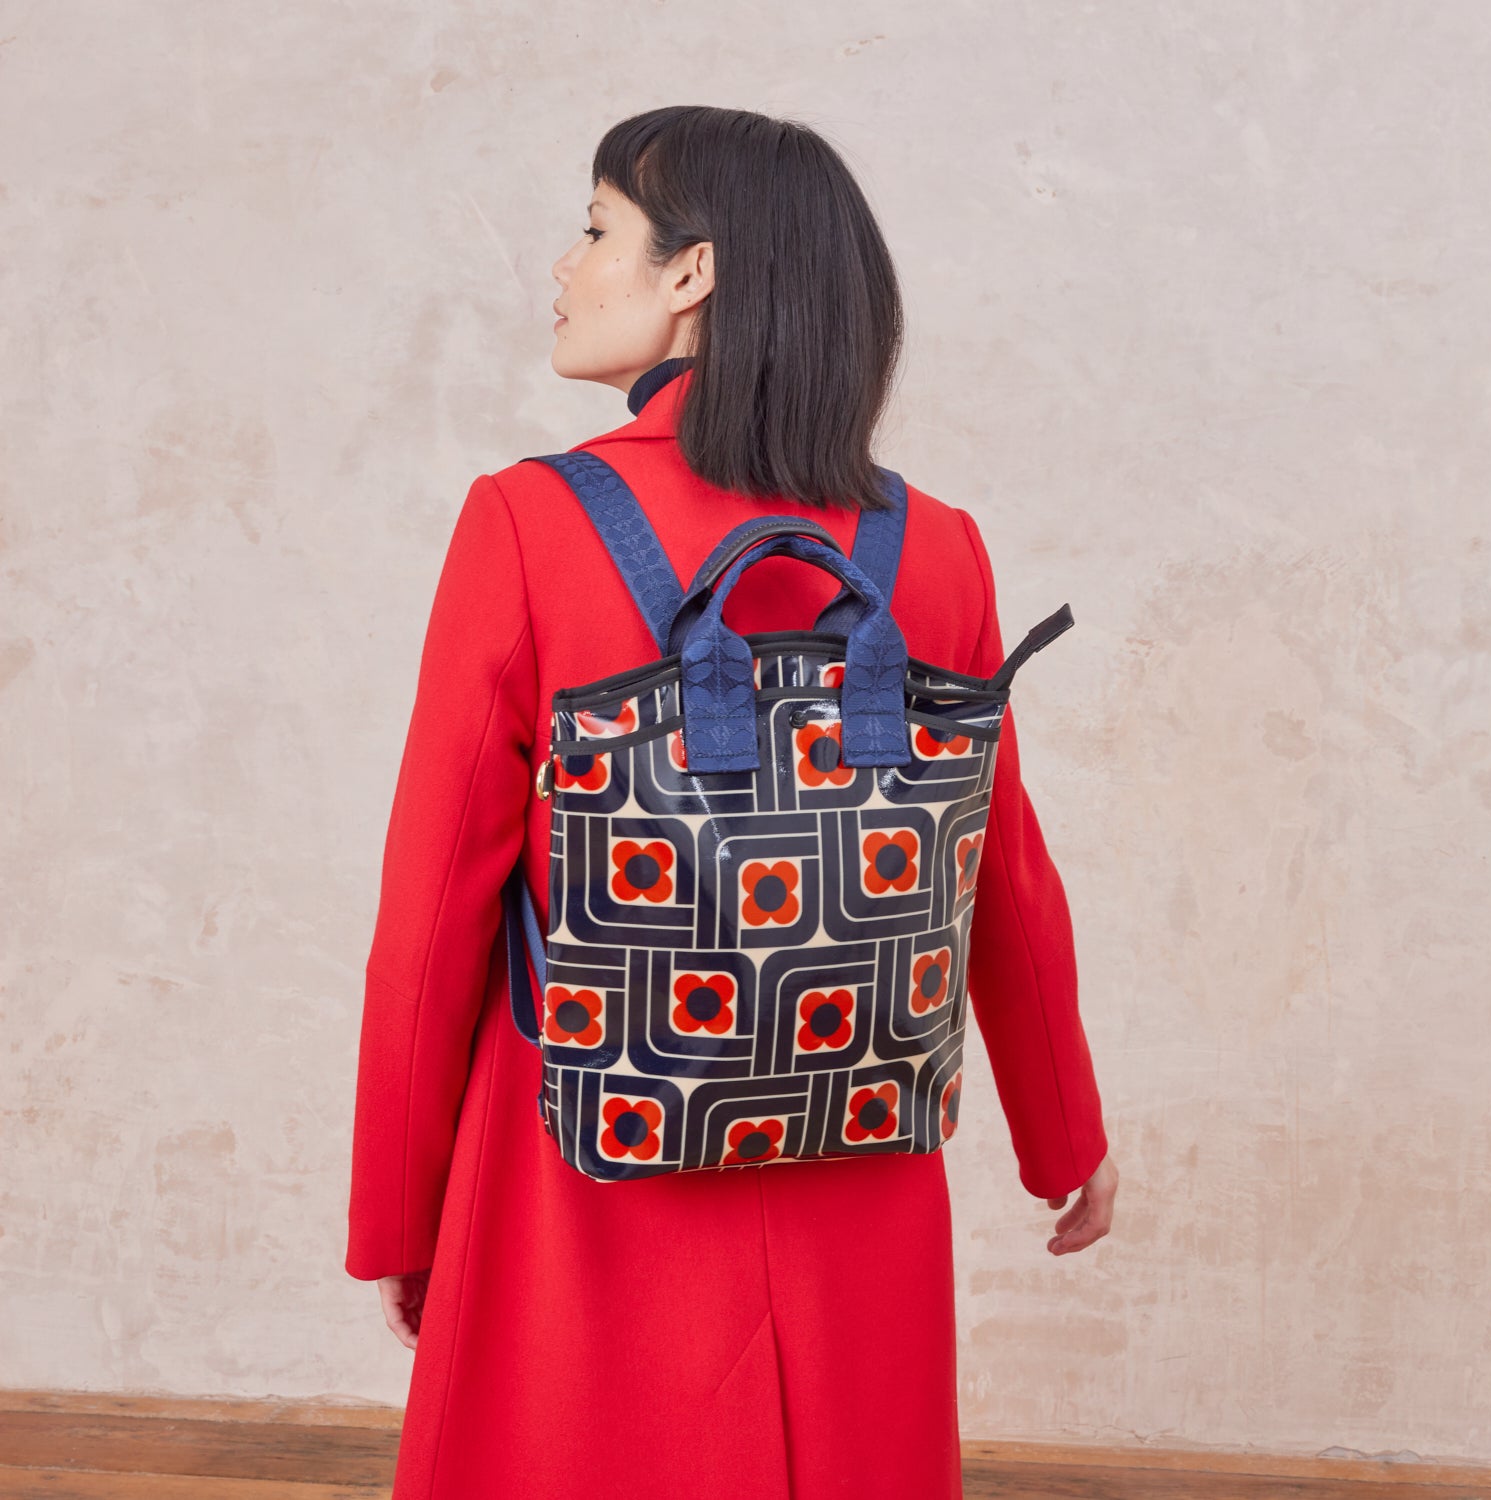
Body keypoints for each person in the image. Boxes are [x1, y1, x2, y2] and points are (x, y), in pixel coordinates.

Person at [344, 104, 1117, 1500]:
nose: (567, 266)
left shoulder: (530, 523)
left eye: (595, 228)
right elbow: (999, 868)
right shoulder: (929, 545)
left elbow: (434, 912)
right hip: (856, 1141)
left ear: (691, 273)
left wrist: (404, 1212)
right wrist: (1066, 1131)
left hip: (586, 1158)